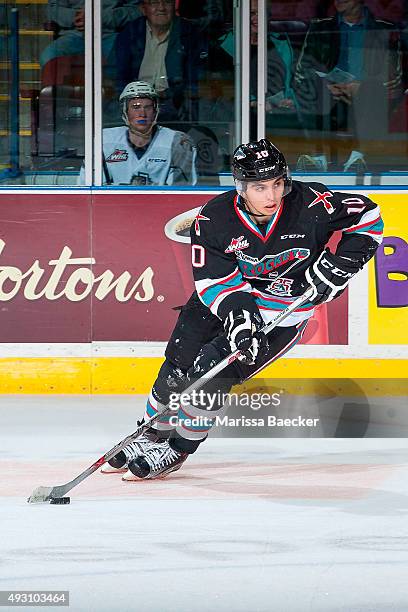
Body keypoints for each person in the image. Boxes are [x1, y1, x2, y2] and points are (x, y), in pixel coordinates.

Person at [101, 138, 383, 480]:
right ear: (241, 186)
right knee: (178, 365)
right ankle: (152, 433)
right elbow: (216, 282)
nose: (272, 196)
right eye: (260, 187)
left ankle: (177, 449)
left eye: (277, 184)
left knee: (212, 373)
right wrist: (239, 320)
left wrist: (340, 266)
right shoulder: (215, 218)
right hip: (222, 303)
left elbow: (368, 215)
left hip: (281, 315)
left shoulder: (311, 204)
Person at [295, 0, 402, 172]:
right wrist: (327, 84)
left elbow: (395, 78)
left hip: (367, 95)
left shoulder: (384, 28)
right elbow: (302, 71)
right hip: (328, 92)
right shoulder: (320, 27)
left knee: (373, 88)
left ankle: (358, 158)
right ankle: (318, 159)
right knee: (312, 85)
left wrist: (361, 86)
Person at [78, 81, 197, 185]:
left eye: (148, 107)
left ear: (155, 111)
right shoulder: (103, 139)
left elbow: (181, 192)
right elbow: (88, 188)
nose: (142, 113)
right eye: (136, 107)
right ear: (125, 111)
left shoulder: (178, 141)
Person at [114, 0, 206, 122]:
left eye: (167, 2)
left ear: (175, 6)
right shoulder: (130, 33)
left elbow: (197, 79)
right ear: (143, 8)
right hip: (136, 101)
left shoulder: (190, 33)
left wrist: (174, 96)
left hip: (175, 104)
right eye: (154, 3)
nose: (161, 8)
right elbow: (116, 74)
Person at [40, 0, 141, 82]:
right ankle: (60, 103)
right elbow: (52, 9)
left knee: (123, 58)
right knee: (49, 56)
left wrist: (101, 17)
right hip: (73, 35)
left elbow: (137, 10)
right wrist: (76, 16)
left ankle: (113, 103)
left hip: (111, 35)